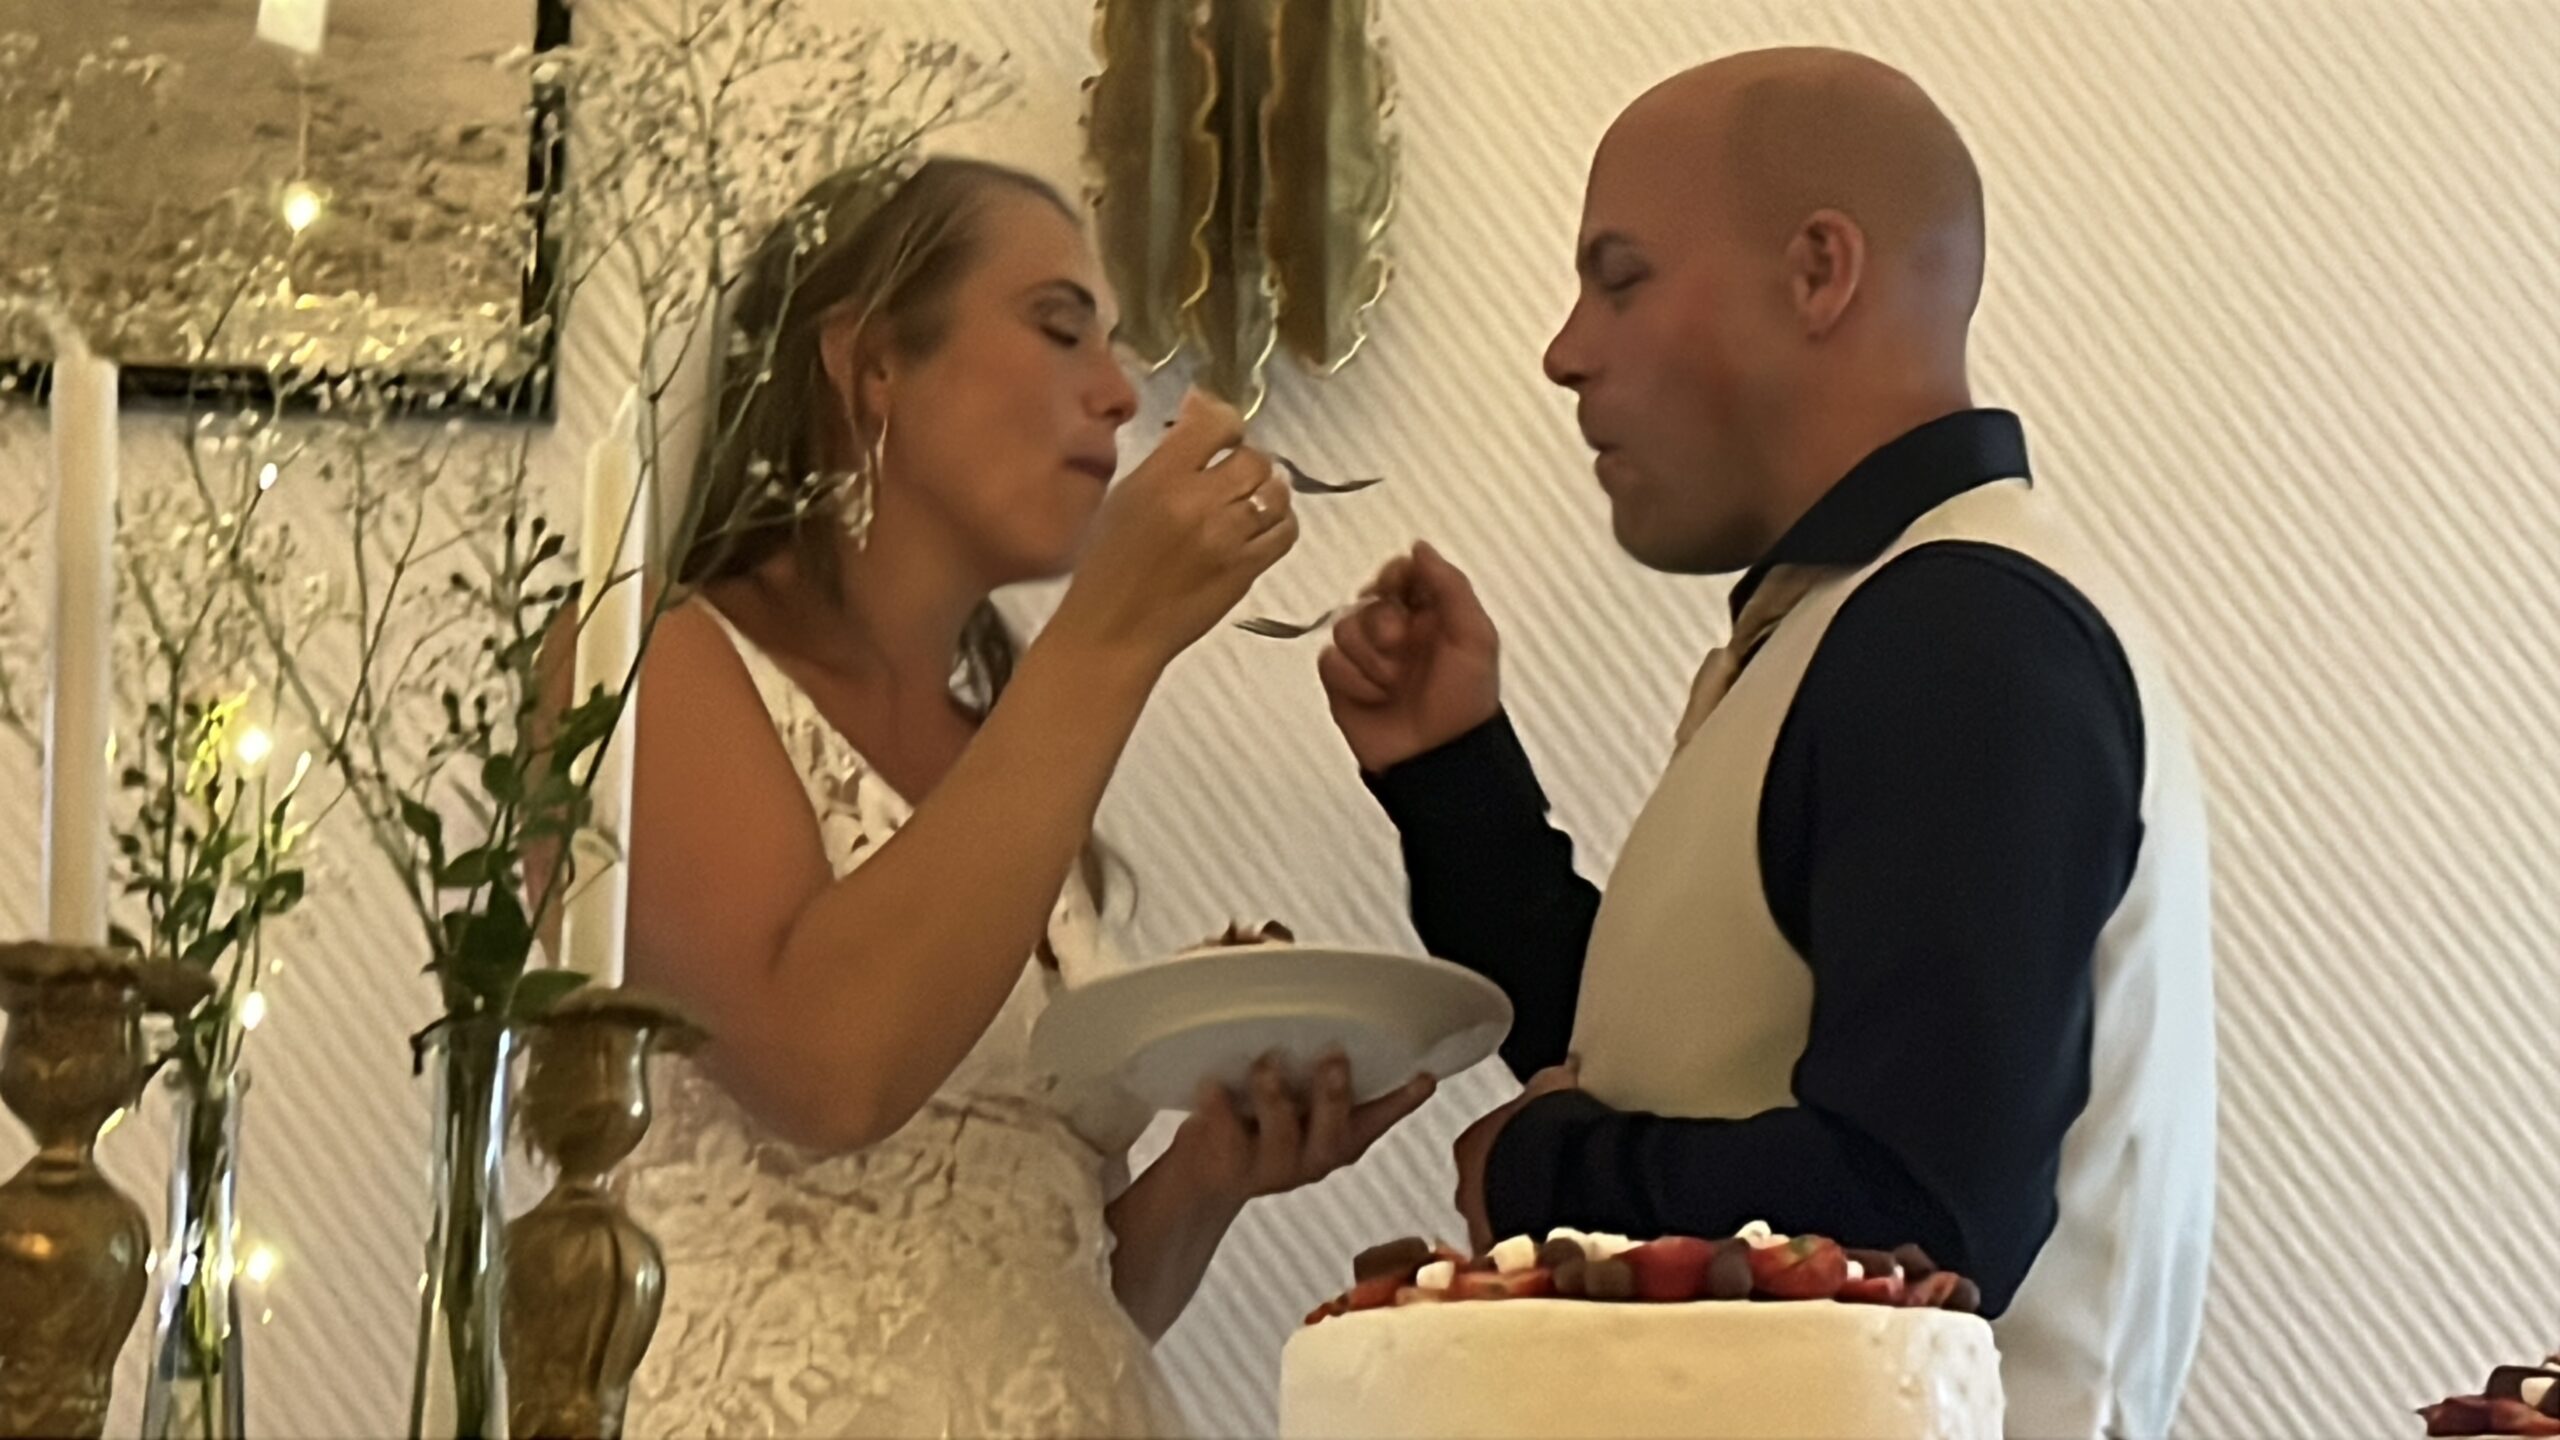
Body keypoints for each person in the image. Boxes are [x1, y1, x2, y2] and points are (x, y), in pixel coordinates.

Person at [1319, 49, 2214, 1439]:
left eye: (1619, 279)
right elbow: (1677, 1070)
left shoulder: (1961, 636)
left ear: (1817, 273)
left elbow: (1916, 1215)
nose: (1565, 350)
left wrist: (1540, 1173)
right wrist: (1452, 779)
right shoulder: (1867, 623)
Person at [555, 157, 1437, 1437]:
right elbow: (828, 1071)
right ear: (870, 365)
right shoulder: (643, 659)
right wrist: (1112, 636)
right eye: (1060, 327)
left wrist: (1207, 1171)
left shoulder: (1001, 747)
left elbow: (1043, 1287)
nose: (1119, 394)